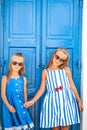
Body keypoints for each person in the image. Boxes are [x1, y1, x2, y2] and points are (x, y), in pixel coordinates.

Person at [24, 48, 84, 130]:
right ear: (53, 55)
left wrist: (79, 101)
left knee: (65, 125)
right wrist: (33, 101)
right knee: (54, 126)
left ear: (64, 61)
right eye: (57, 57)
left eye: (62, 60)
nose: (58, 60)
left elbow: (72, 85)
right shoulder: (46, 72)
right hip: (52, 101)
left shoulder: (66, 69)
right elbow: (42, 89)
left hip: (66, 100)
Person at [1, 53, 34, 130]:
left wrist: (25, 103)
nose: (17, 65)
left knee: (22, 123)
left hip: (20, 106)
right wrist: (8, 106)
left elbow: (24, 92)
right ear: (11, 63)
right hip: (10, 105)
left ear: (22, 66)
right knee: (12, 123)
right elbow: (3, 94)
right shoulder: (5, 78)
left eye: (20, 64)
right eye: (15, 63)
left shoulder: (23, 79)